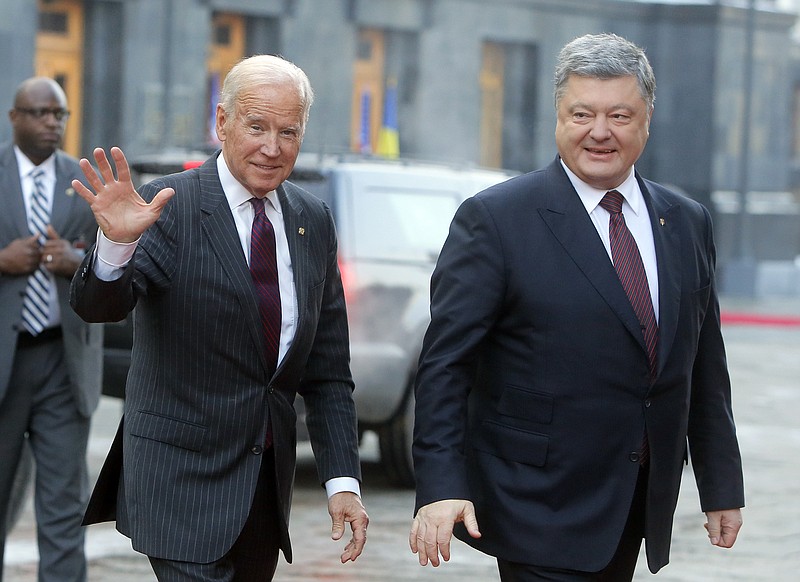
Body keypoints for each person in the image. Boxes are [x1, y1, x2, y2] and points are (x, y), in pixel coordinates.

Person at [409, 33, 744, 581]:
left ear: (647, 120)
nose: (600, 132)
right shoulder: (496, 220)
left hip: (636, 504)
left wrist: (721, 484)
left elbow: (704, 365)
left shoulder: (686, 221)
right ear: (558, 117)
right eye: (582, 114)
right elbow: (446, 365)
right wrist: (442, 487)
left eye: (619, 115)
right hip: (534, 502)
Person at [70, 54, 368, 581]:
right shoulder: (171, 206)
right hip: (179, 479)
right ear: (222, 121)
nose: (272, 148)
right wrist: (116, 246)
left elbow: (327, 371)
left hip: (261, 487)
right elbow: (101, 307)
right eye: (257, 126)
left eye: (289, 132)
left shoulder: (312, 220)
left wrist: (342, 480)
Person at [0, 77, 102, 581]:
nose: (50, 123)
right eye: (39, 113)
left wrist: (75, 260)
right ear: (15, 117)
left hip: (64, 363)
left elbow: (114, 264)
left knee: (64, 509)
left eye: (58, 115)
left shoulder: (83, 181)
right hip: (4, 362)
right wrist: (1, 260)